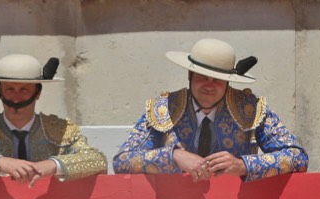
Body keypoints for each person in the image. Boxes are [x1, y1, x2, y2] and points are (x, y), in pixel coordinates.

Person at [113, 38, 308, 182]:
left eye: (217, 79)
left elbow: (297, 157)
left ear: (228, 82)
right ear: (190, 74)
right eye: (202, 77)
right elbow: (123, 161)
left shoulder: (250, 107)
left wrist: (243, 165)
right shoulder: (164, 107)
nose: (209, 85)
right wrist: (173, 156)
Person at [0, 54, 108, 186]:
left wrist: (52, 165)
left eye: (24, 90)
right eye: (10, 89)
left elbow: (97, 160)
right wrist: (0, 162)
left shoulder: (60, 129)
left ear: (38, 93)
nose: (16, 98)